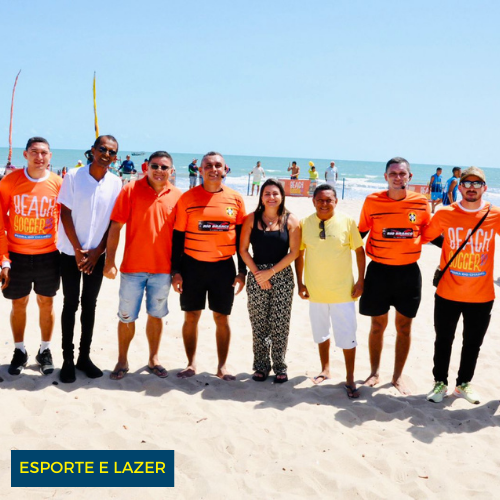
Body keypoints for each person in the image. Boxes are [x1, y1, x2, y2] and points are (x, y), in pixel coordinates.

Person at [423, 167, 500, 405]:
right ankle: (440, 383)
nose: (471, 188)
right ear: (460, 186)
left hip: (482, 294)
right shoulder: (446, 213)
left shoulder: (494, 214)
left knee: (472, 344)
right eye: (467, 183)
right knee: (443, 340)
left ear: (484, 188)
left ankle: (463, 384)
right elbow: (425, 236)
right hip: (448, 291)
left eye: (477, 184)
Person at [104, 151, 182, 380]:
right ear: (146, 167)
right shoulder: (130, 189)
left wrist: (178, 271)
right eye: (155, 166)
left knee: (156, 314)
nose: (159, 170)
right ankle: (122, 359)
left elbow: (181, 238)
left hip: (162, 270)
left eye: (164, 167)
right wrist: (110, 262)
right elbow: (116, 227)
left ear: (172, 171)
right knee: (126, 316)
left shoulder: (178, 196)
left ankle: (153, 358)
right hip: (132, 269)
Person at [358, 157, 431, 395]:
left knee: (404, 327)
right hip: (379, 271)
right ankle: (374, 372)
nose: (397, 177)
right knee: (377, 325)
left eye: (402, 173)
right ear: (385, 177)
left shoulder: (421, 203)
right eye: (393, 173)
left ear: (410, 177)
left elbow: (429, 233)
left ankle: (397, 376)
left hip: (408, 273)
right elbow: (359, 233)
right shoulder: (372, 201)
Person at [171, 151, 246, 380]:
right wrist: (176, 272)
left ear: (225, 169)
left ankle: (222, 366)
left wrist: (242, 271)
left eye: (218, 165)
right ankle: (191, 363)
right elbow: (177, 237)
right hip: (192, 266)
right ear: (200, 170)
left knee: (221, 317)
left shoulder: (236, 199)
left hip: (223, 267)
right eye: (208, 165)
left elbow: (242, 238)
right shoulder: (187, 198)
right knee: (191, 316)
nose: (213, 169)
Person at [57, 135, 122, 383]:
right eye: (102, 149)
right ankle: (67, 360)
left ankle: (84, 357)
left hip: (97, 254)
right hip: (69, 252)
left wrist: (96, 252)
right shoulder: (74, 176)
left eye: (112, 152)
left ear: (115, 157)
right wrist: (77, 249)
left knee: (90, 305)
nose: (106, 154)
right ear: (92, 151)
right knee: (70, 304)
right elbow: (65, 213)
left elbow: (114, 223)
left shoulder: (116, 183)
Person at [0, 137, 63, 376]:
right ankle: (19, 350)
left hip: (49, 255)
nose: (39, 157)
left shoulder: (58, 183)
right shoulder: (9, 182)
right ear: (25, 155)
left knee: (46, 303)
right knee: (19, 304)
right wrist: (4, 259)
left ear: (50, 156)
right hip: (17, 256)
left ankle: (44, 350)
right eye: (34, 152)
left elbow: (67, 220)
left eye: (44, 153)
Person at [295, 184, 365, 398]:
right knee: (321, 333)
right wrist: (300, 282)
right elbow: (299, 254)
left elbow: (360, 252)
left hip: (343, 291)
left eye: (328, 200)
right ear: (313, 201)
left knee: (347, 335)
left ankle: (350, 377)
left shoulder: (347, 221)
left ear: (336, 202)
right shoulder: (304, 223)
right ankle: (325, 369)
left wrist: (361, 281)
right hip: (315, 291)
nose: (324, 204)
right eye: (320, 200)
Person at [240, 179, 300, 383]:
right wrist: (258, 273)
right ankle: (261, 366)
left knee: (280, 323)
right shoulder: (251, 219)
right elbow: (242, 250)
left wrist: (271, 272)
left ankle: (280, 366)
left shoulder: (291, 220)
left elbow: (294, 253)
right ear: (261, 196)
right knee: (259, 323)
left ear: (282, 196)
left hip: (282, 275)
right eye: (267, 193)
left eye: (275, 193)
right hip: (256, 275)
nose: (271, 197)